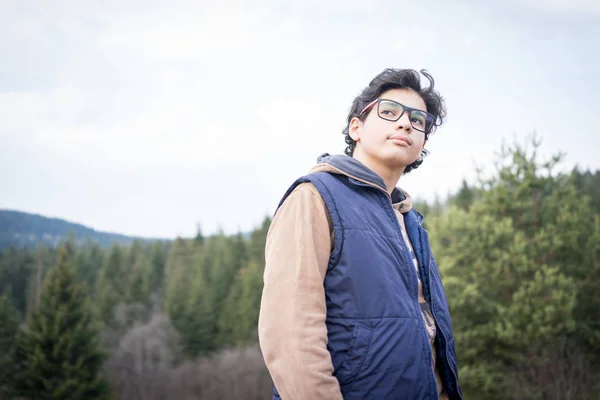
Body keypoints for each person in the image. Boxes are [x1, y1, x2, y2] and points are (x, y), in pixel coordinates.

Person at [258, 68, 463, 400]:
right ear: (356, 126)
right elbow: (290, 337)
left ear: (423, 143)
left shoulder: (410, 222)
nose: (405, 123)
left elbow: (429, 337)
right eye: (389, 111)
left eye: (418, 120)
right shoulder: (314, 197)